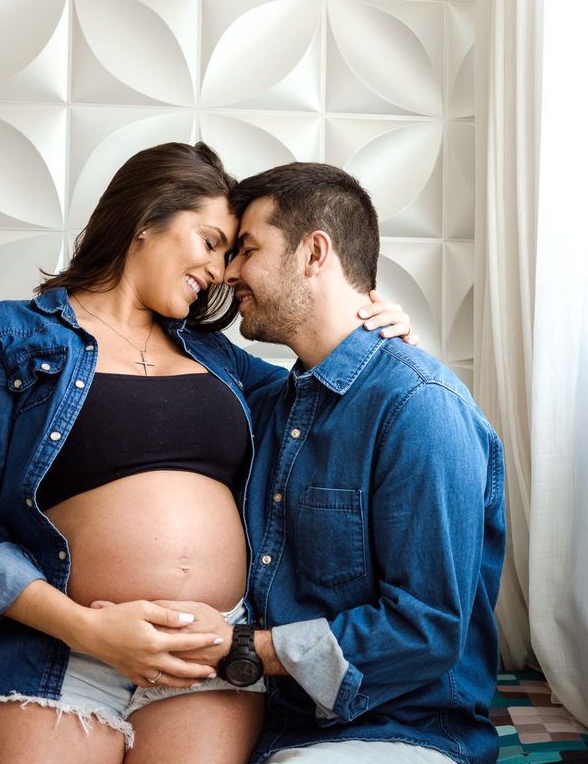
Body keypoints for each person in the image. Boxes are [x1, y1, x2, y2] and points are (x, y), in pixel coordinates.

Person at [0, 143, 415, 764]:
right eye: (210, 242)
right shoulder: (5, 335)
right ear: (147, 218)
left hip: (205, 656)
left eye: (233, 253)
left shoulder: (222, 361)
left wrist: (365, 328)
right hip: (60, 651)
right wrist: (91, 629)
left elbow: (325, 400)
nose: (221, 271)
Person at [162, 162, 506, 764]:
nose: (229, 271)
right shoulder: (269, 402)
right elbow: (158, 331)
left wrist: (244, 647)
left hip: (401, 730)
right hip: (275, 725)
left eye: (247, 248)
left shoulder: (419, 408)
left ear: (314, 252)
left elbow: (426, 627)